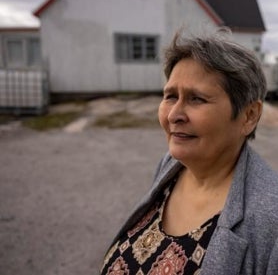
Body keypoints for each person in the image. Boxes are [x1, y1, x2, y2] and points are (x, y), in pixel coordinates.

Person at [100, 29, 278, 275]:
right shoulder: (171, 166)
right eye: (171, 96)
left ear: (249, 116)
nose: (174, 115)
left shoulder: (271, 218)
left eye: (197, 99)